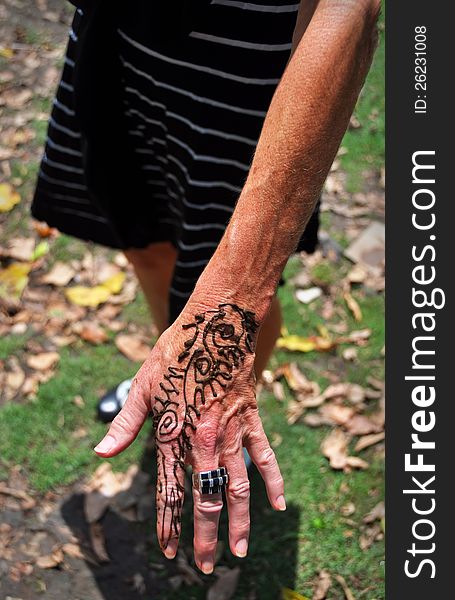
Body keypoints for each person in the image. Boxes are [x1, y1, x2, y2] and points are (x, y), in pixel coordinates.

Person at [32, 0, 380, 576]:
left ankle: (220, 412)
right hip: (119, 42)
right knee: (144, 239)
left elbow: (352, 8)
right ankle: (165, 377)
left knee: (221, 287)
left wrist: (235, 297)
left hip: (249, 72)